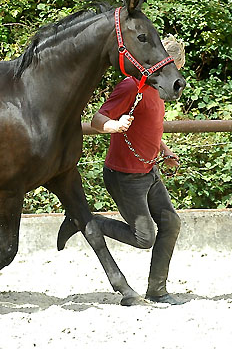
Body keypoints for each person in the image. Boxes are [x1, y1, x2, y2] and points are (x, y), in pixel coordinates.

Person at [59, 34, 186, 305]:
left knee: (171, 223)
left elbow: (148, 126)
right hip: (125, 175)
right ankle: (82, 221)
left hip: (149, 171)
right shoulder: (131, 87)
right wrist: (114, 126)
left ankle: (157, 290)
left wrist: (165, 150)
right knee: (144, 238)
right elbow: (97, 119)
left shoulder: (157, 92)